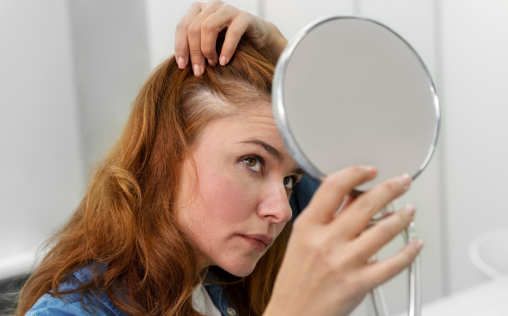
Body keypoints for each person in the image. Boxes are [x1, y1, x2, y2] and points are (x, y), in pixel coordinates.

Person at [16, 2, 422, 316]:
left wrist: (287, 63)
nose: (281, 211)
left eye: (291, 181)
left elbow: (359, 166)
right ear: (166, 154)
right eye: (252, 161)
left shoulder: (214, 273)